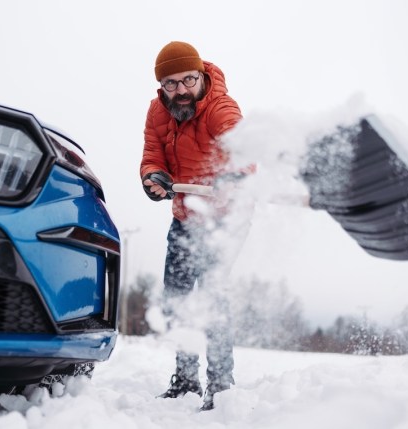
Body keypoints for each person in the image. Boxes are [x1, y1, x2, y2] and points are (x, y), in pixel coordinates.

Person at [139, 41, 246, 411]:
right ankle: (185, 381)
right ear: (161, 87)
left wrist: (235, 174)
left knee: (213, 300)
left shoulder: (220, 107)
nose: (181, 90)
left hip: (222, 221)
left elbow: (243, 147)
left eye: (187, 80)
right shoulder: (158, 111)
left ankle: (220, 386)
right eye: (170, 84)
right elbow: (153, 151)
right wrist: (153, 175)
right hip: (185, 218)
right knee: (179, 301)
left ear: (200, 76)